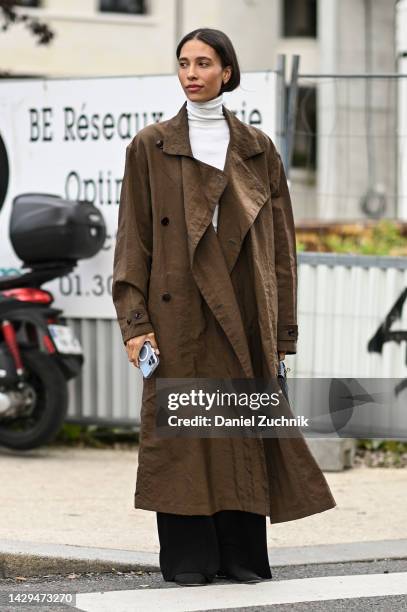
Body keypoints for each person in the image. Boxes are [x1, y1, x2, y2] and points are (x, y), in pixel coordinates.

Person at [112, 27, 336, 587]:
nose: (191, 72)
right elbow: (132, 242)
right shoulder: (151, 145)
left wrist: (284, 337)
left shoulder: (258, 149)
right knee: (186, 434)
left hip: (245, 312)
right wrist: (135, 323)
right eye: (183, 62)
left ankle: (240, 556)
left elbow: (281, 253)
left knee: (238, 430)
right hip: (177, 314)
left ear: (227, 73)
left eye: (203, 63)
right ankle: (189, 559)